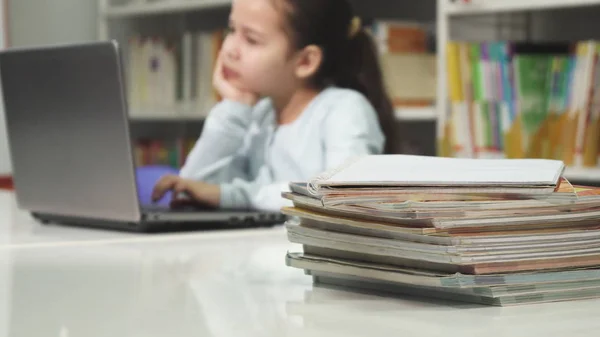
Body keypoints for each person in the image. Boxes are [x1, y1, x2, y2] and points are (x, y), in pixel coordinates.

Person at [151, 0, 396, 212]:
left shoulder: (344, 110)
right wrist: (233, 108)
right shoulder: (257, 115)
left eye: (251, 39)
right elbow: (194, 188)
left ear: (306, 61)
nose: (229, 49)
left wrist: (235, 196)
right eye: (232, 29)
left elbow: (339, 197)